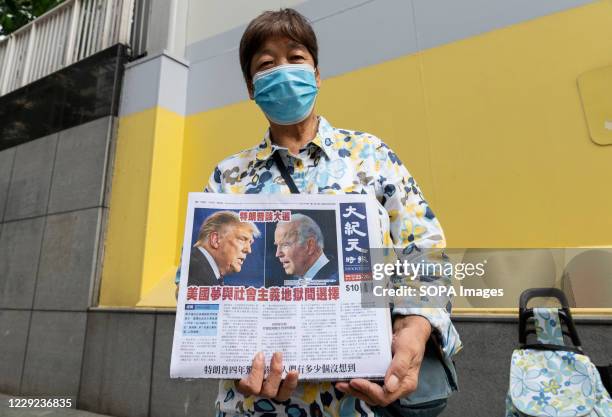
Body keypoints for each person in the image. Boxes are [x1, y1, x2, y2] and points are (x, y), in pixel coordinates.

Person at [199, 8, 462, 416]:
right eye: (266, 64)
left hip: (359, 404)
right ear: (252, 88)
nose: (283, 70)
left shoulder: (371, 156)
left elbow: (425, 251)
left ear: (317, 75)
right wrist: (225, 356)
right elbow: (197, 282)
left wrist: (415, 327)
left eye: (296, 57)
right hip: (252, 405)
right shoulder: (228, 176)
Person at [187, 210, 259, 286]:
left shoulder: (200, 271)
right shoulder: (194, 275)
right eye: (242, 239)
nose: (249, 250)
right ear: (215, 240)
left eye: (250, 243)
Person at [272, 213, 339, 286]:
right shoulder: (295, 282)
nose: (277, 254)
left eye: (285, 245)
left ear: (310, 246)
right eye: (277, 246)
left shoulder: (336, 282)